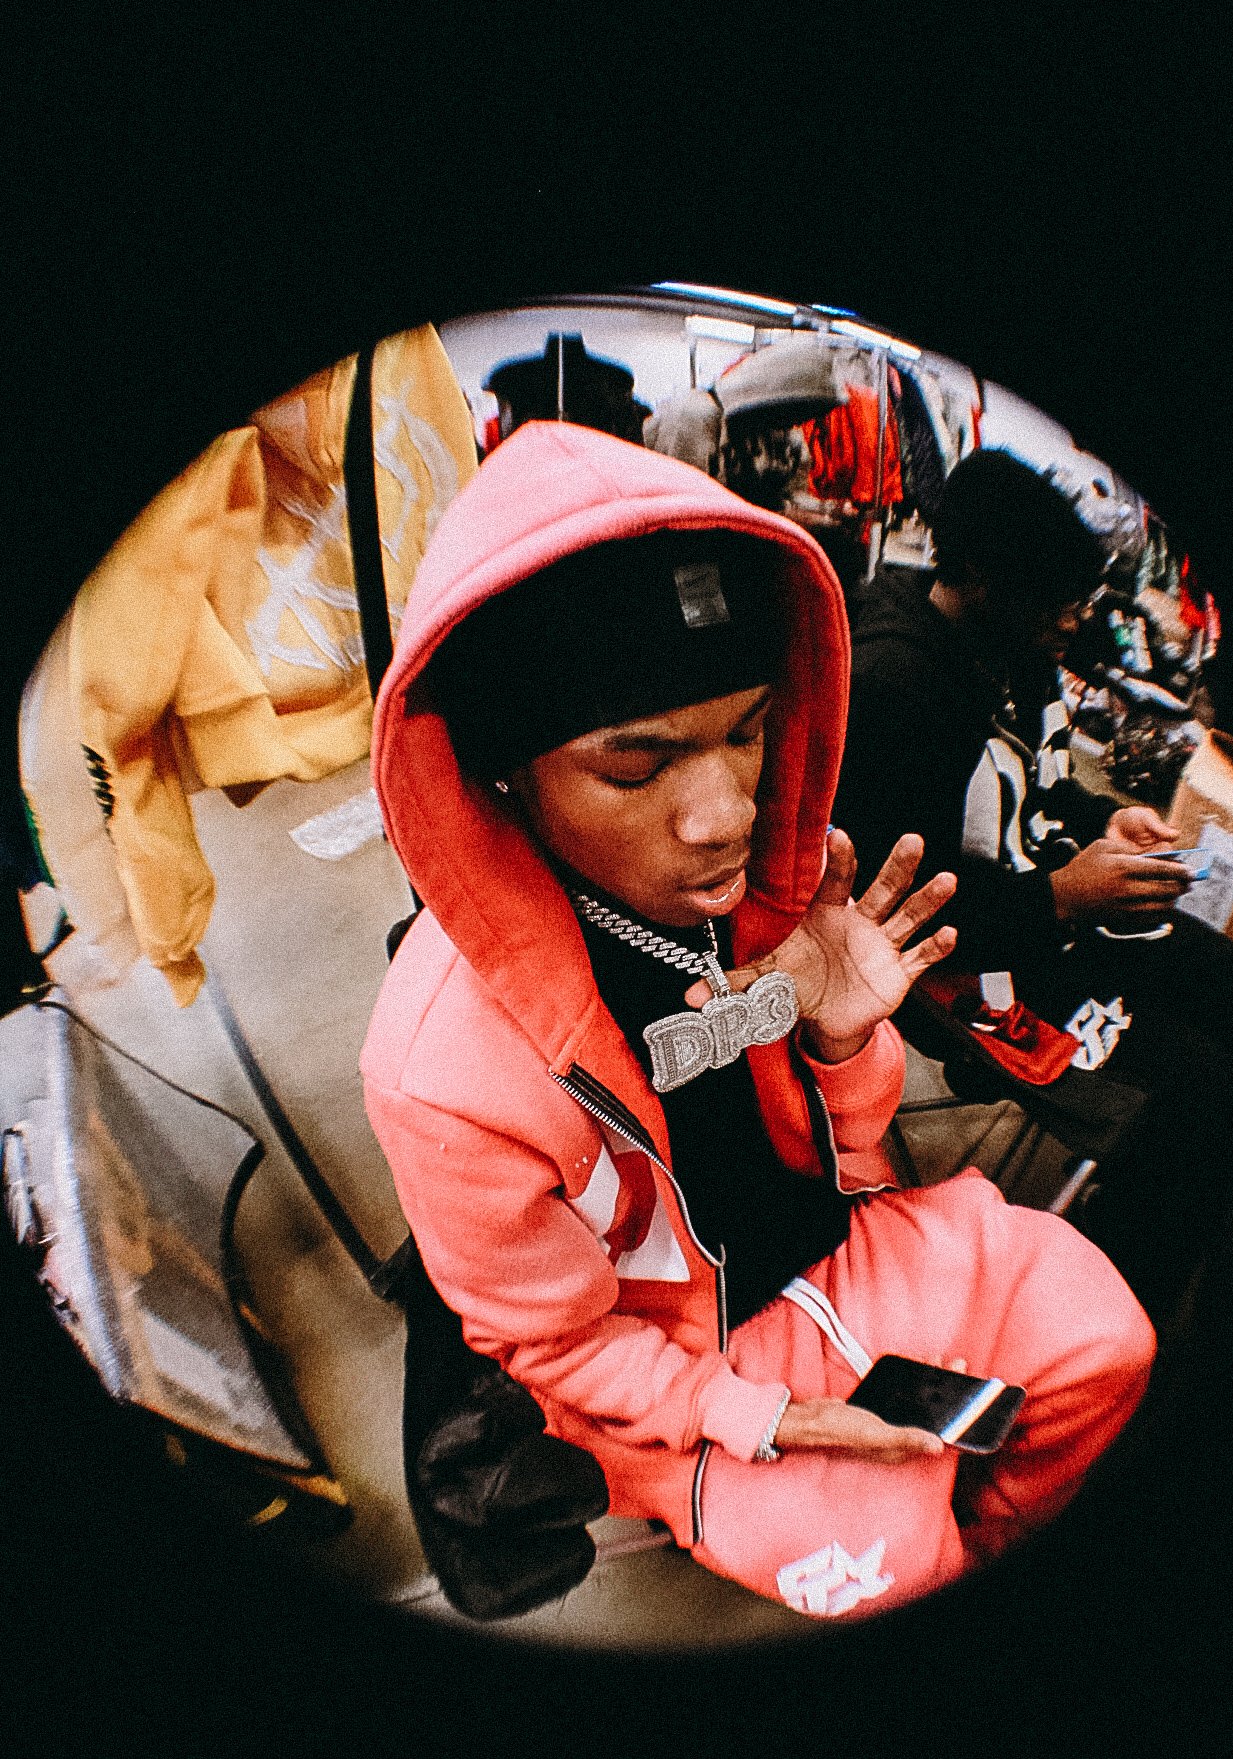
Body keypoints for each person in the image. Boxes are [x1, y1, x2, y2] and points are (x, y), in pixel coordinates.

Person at [360, 421, 1154, 1622]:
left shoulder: (773, 902)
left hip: (842, 1254)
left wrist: (839, 1044)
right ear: (502, 771)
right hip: (675, 1361)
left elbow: (850, 1167)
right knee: (883, 1571)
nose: (721, 815)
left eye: (747, 730)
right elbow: (555, 1351)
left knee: (1109, 1348)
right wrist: (759, 1417)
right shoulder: (440, 1069)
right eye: (636, 769)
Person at [834, 448, 1233, 1321]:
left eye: (1080, 598)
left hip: (1045, 911)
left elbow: (1041, 779)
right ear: (980, 580)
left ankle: (1217, 1249)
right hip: (963, 970)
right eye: (1058, 600)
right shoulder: (901, 689)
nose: (1076, 619)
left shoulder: (1020, 647)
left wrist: (1098, 824)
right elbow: (898, 908)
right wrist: (1066, 896)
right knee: (1188, 1103)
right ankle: (1110, 1310)